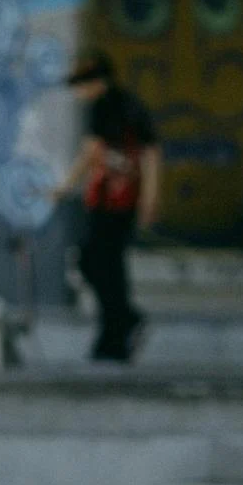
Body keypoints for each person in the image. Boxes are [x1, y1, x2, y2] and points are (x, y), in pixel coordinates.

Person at [54, 49, 160, 362]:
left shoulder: (102, 107)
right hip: (126, 198)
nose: (78, 92)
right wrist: (150, 196)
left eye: (81, 84)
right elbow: (152, 153)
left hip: (108, 199)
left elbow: (91, 153)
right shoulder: (132, 105)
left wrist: (65, 187)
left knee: (94, 262)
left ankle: (122, 323)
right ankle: (115, 332)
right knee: (109, 266)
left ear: (97, 81)